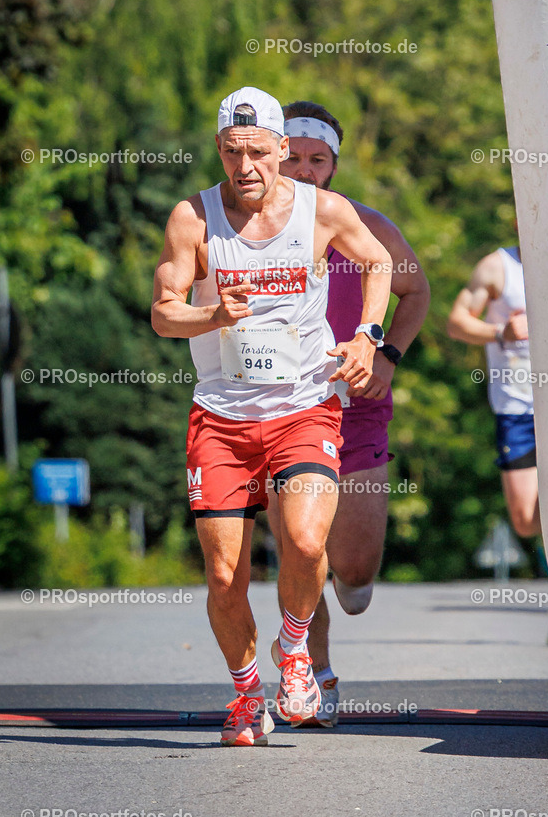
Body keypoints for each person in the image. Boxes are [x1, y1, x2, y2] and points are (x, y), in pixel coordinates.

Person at [151, 86, 392, 746]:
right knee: (225, 573)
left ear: (284, 151)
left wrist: (368, 335)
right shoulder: (192, 219)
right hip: (222, 418)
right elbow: (163, 311)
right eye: (232, 152)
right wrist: (212, 315)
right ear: (219, 151)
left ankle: (295, 655)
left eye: (258, 151)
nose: (245, 166)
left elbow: (379, 262)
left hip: (303, 406)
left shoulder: (322, 211)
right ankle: (243, 694)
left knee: (308, 541)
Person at [267, 101, 431, 726]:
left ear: (333, 165)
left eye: (319, 160)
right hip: (282, 407)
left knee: (354, 578)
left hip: (356, 406)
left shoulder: (364, 225)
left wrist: (388, 353)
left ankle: (346, 587)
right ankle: (315, 672)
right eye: (295, 157)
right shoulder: (248, 225)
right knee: (301, 549)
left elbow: (415, 291)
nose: (305, 171)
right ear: (275, 154)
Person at [446, 244, 548, 645]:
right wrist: (500, 332)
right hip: (517, 409)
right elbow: (457, 321)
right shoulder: (499, 267)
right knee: (527, 519)